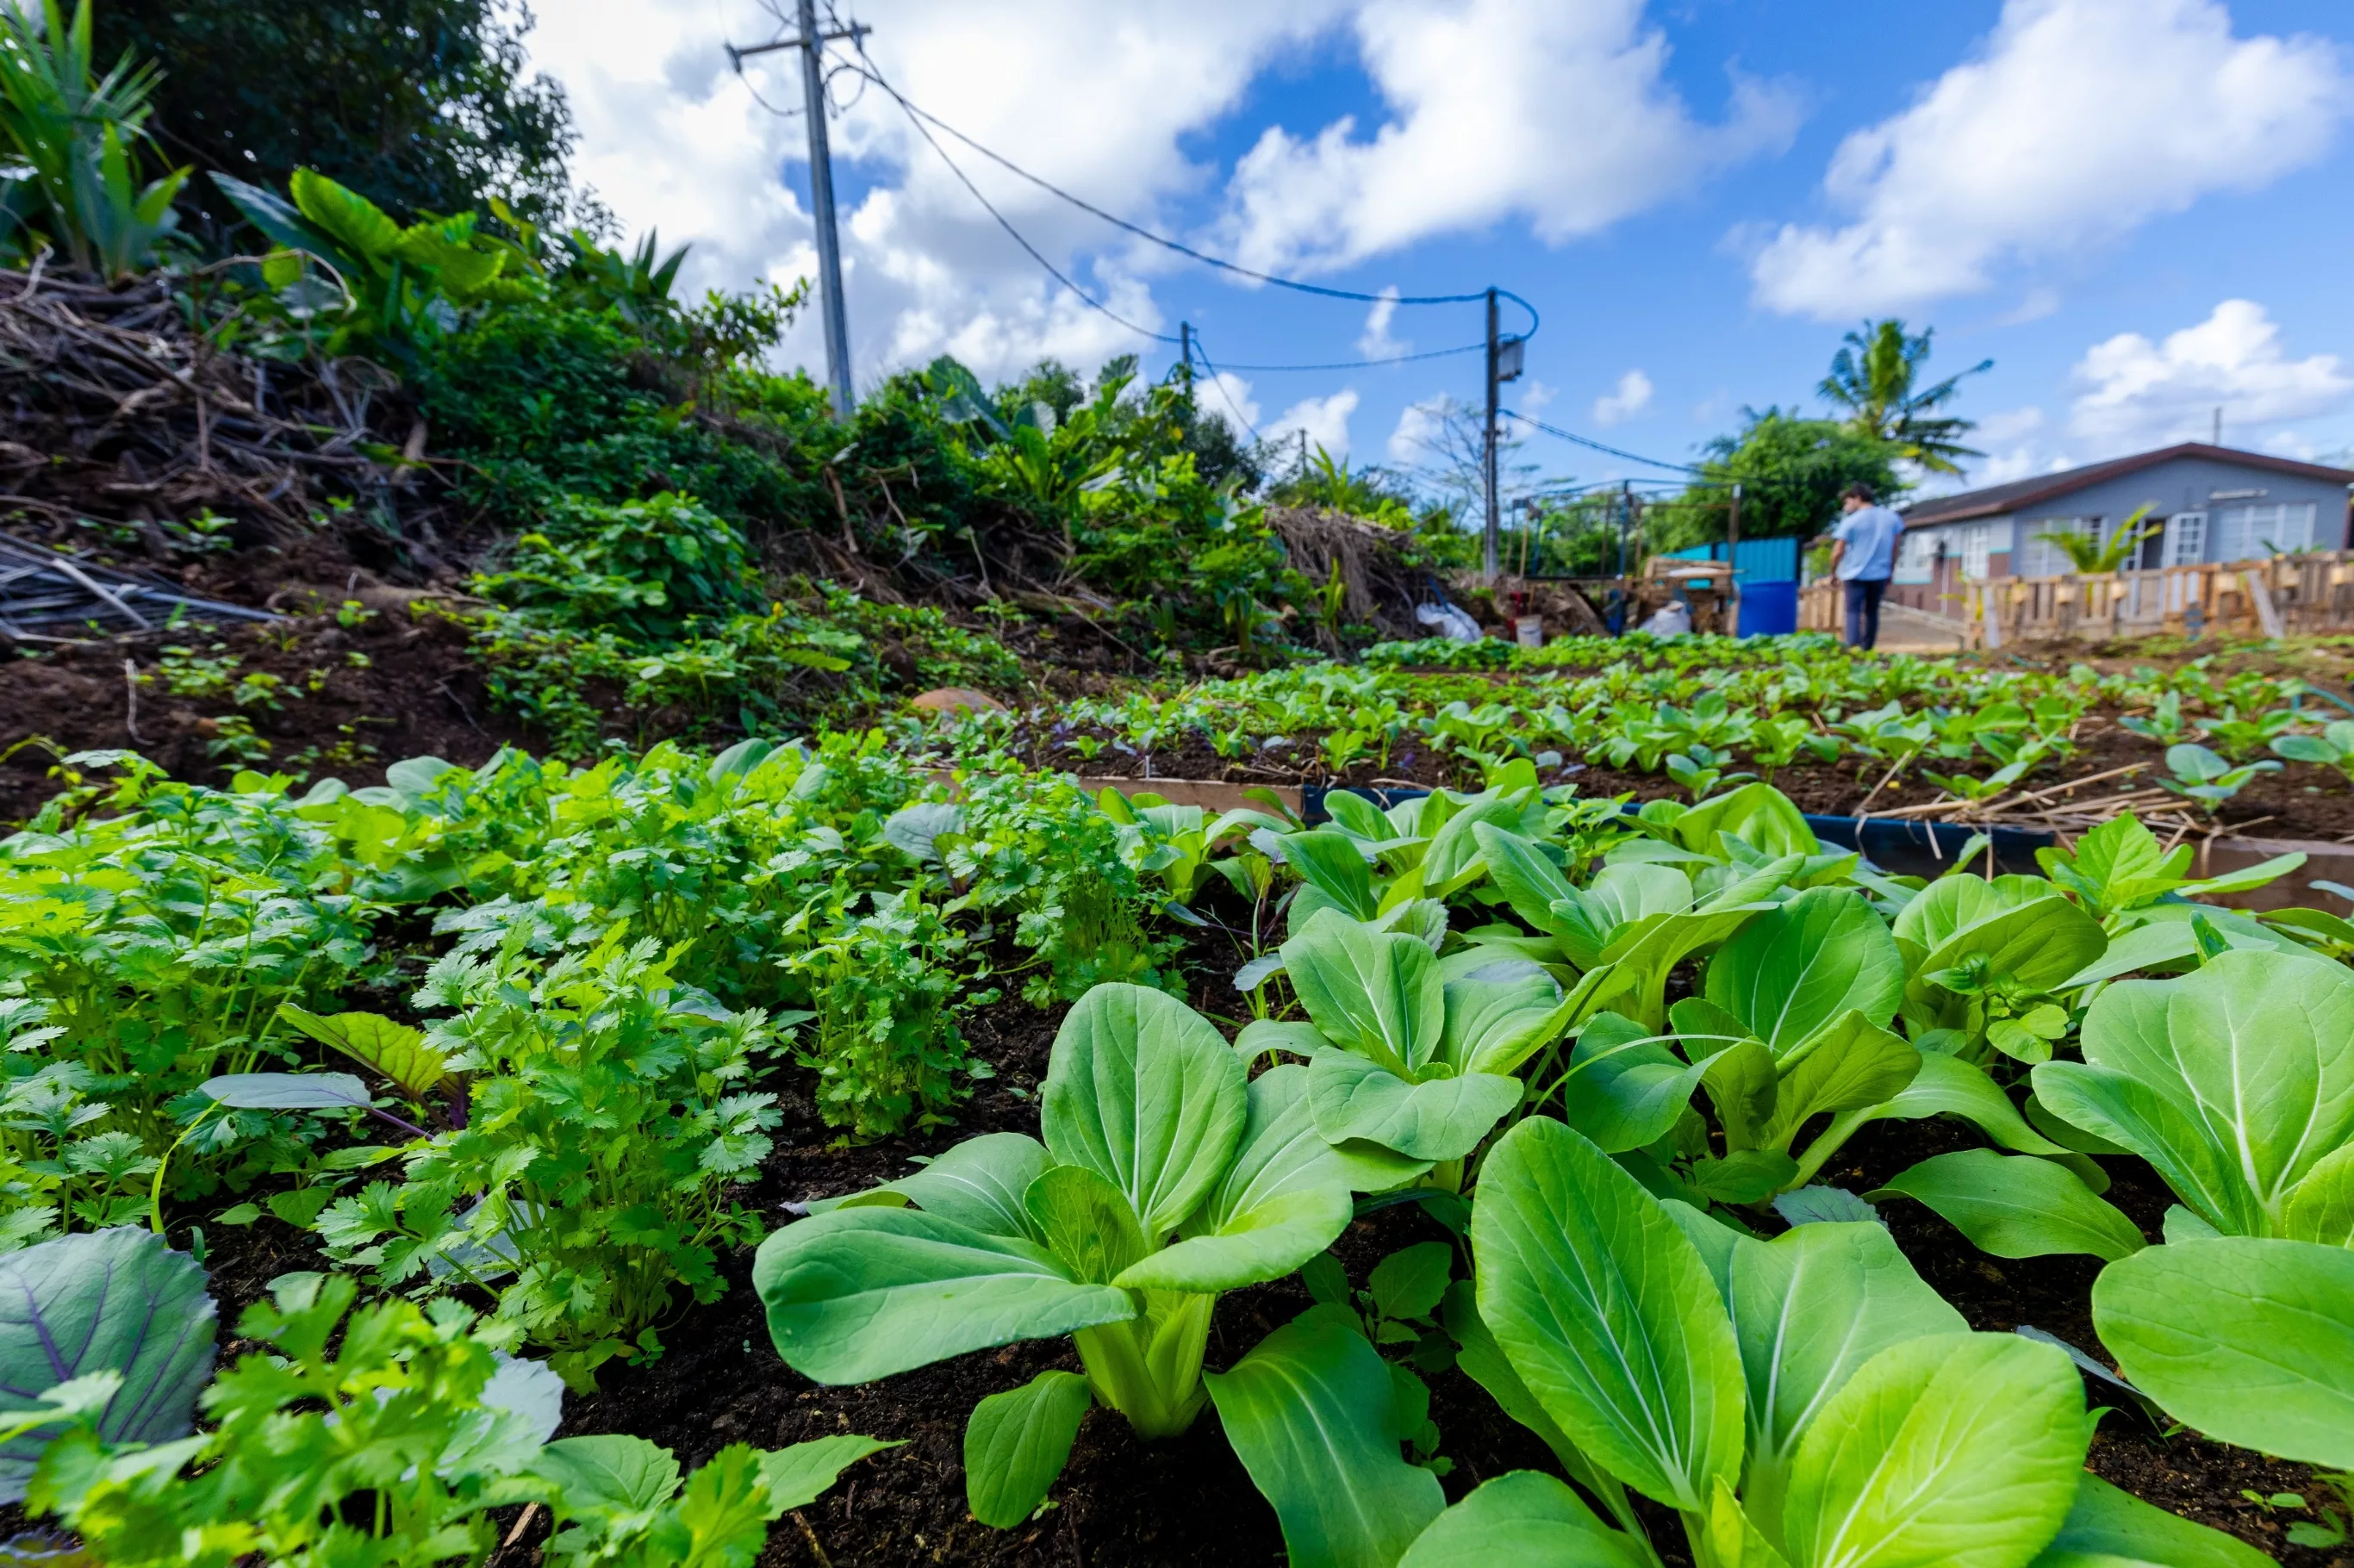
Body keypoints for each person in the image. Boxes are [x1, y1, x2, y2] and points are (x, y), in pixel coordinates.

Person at [1825, 482, 1903, 650]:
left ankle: (1853, 647)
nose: (1846, 507)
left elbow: (1838, 551)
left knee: (1853, 611)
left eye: (1847, 502)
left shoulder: (1851, 521)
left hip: (1855, 573)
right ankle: (1868, 648)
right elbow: (1895, 548)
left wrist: (1833, 572)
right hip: (1880, 573)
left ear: (1858, 498)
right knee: (1872, 612)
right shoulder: (1892, 518)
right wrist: (1891, 570)